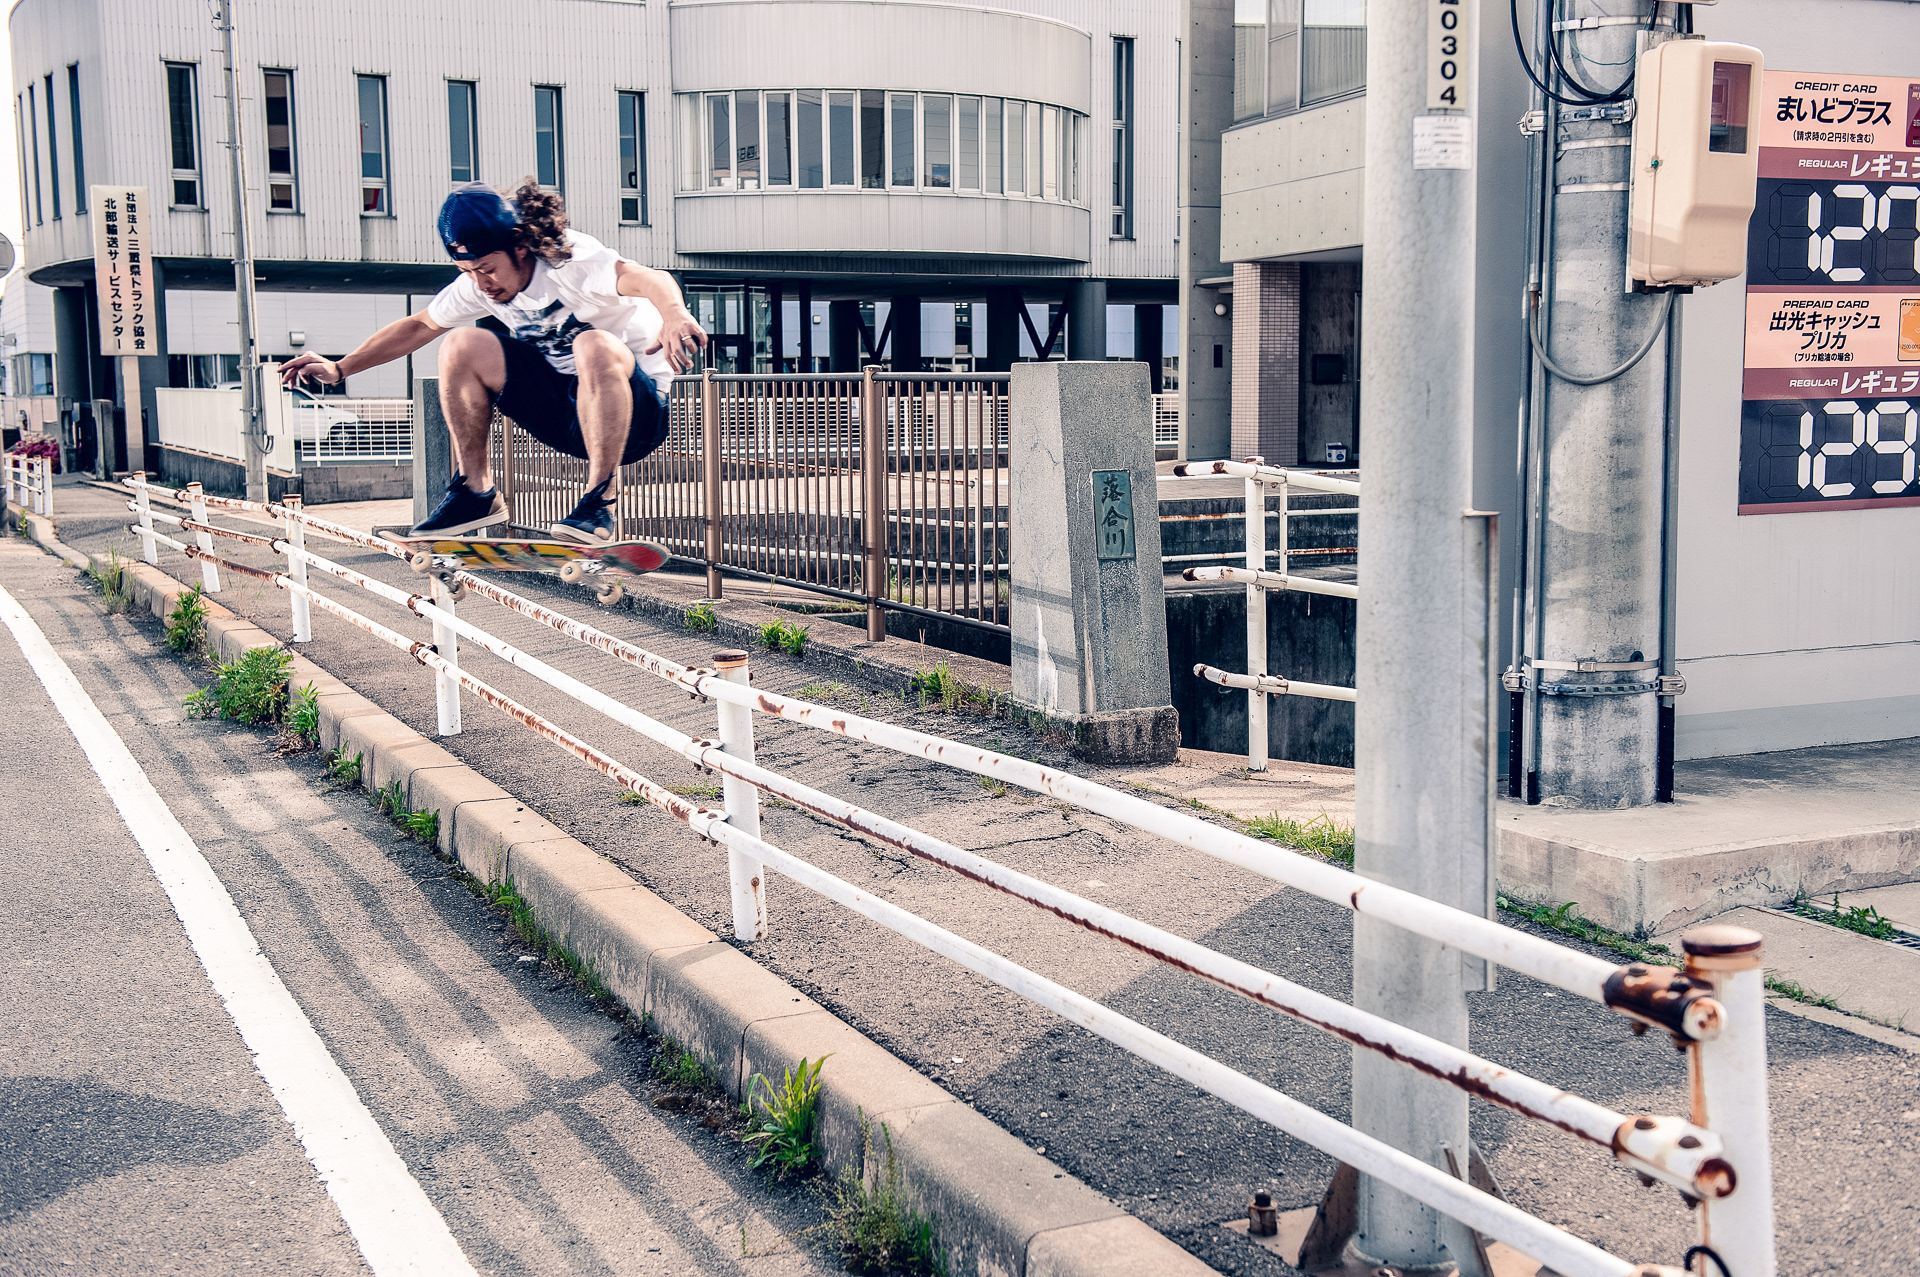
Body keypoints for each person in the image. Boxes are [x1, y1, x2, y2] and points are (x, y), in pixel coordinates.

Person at [278, 179, 708, 543]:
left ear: (520, 246)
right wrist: (340, 368)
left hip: (636, 416)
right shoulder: (477, 283)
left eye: (486, 269)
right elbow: (417, 327)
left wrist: (673, 314)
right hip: (566, 412)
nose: (480, 284)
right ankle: (477, 492)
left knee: (592, 344)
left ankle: (600, 501)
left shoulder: (571, 260)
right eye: (468, 272)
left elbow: (650, 278)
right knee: (460, 345)